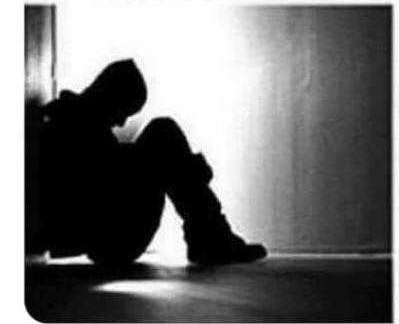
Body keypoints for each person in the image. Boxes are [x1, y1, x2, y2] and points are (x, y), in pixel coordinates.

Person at [31, 59, 266, 267]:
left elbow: (106, 170)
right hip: (107, 237)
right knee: (164, 132)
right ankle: (211, 238)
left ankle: (210, 237)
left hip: (105, 235)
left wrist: (184, 169)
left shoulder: (67, 119)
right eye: (124, 111)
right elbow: (97, 180)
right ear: (109, 96)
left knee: (165, 139)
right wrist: (188, 170)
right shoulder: (69, 125)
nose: (122, 123)